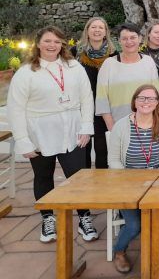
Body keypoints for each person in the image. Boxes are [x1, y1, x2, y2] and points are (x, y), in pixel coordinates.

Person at [7, 26, 98, 243]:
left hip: (73, 130)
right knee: (43, 176)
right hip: (40, 132)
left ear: (63, 45)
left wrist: (86, 127)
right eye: (48, 41)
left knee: (77, 178)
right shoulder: (26, 72)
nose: (52, 46)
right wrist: (23, 140)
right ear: (38, 43)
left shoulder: (74, 66)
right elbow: (15, 108)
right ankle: (47, 218)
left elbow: (87, 97)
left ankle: (84, 217)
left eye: (57, 42)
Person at [107, 85, 159, 273]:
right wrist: (128, 179)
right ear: (135, 101)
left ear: (157, 103)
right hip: (127, 182)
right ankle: (119, 252)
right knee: (135, 224)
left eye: (151, 99)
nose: (146, 102)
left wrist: (157, 174)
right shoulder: (121, 125)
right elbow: (113, 159)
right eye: (142, 98)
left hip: (156, 182)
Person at [95, 23, 159, 131]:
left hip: (147, 124)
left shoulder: (148, 62)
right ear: (119, 41)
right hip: (118, 125)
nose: (129, 42)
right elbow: (102, 100)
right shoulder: (109, 64)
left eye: (133, 37)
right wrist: (112, 128)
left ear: (140, 39)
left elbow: (156, 95)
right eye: (124, 38)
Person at [71, 17, 116, 169]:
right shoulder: (75, 53)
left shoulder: (114, 54)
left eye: (100, 28)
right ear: (87, 31)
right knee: (83, 147)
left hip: (104, 106)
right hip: (82, 106)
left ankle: (101, 183)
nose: (97, 30)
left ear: (105, 32)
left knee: (102, 148)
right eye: (93, 27)